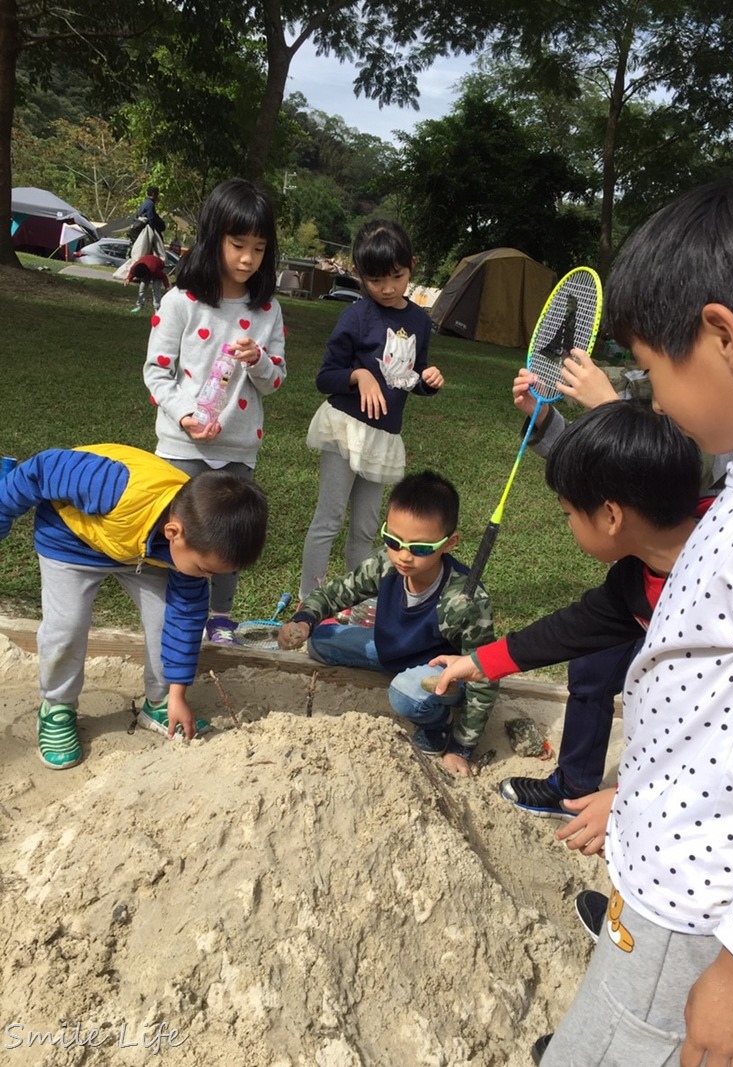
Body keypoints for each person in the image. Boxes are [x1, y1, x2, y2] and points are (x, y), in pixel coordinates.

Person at [531, 177, 733, 1066]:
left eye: (655, 370)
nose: (657, 401)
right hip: (670, 864)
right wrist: (638, 799)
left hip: (698, 913)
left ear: (724, 337)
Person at [432, 400, 704, 805]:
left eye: (569, 513)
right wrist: (479, 662)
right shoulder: (637, 573)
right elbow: (577, 627)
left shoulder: (725, 580)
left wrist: (622, 802)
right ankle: (575, 787)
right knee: (594, 664)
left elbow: (713, 731)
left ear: (611, 515)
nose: (569, 524)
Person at [0, 444, 268, 769]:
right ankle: (56, 707)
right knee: (66, 627)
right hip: (70, 539)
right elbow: (43, 469)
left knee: (164, 619)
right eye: (205, 570)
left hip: (144, 552)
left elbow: (183, 623)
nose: (207, 577)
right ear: (174, 532)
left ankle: (159, 701)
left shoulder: (189, 551)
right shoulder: (113, 485)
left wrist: (178, 695)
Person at [143, 177, 286, 646]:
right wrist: (186, 415)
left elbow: (277, 381)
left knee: (231, 538)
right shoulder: (180, 302)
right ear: (212, 239)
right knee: (176, 537)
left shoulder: (267, 311)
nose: (248, 258)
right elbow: (157, 373)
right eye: (238, 244)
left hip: (239, 448)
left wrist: (259, 360)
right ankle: (169, 615)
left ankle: (220, 618)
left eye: (259, 248)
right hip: (181, 447)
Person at [279, 470, 497, 777]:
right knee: (320, 641)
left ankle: (439, 726)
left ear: (449, 544)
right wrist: (304, 620)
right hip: (391, 652)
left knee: (405, 693)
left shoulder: (463, 600)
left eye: (420, 548)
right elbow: (336, 593)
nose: (403, 556)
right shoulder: (385, 563)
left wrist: (462, 746)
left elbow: (485, 673)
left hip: (439, 673)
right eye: (393, 541)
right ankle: (402, 677)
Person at [299, 220, 443, 602]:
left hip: (383, 437)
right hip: (345, 430)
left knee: (366, 528)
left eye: (396, 276)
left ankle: (356, 601)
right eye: (375, 280)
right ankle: (310, 601)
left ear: (411, 265)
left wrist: (428, 380)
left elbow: (410, 378)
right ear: (361, 276)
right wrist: (359, 375)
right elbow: (325, 376)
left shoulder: (419, 321)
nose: (387, 288)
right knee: (328, 521)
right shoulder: (356, 316)